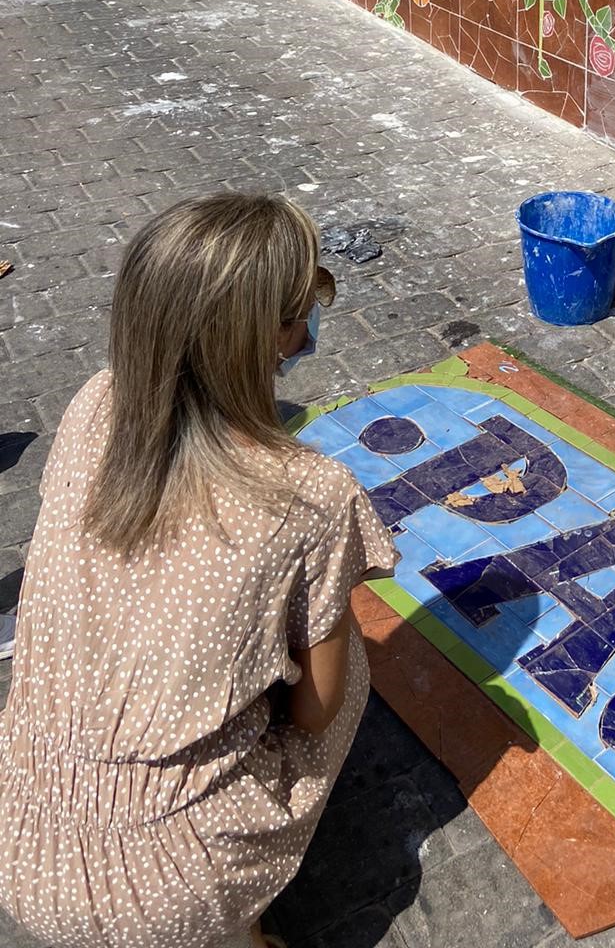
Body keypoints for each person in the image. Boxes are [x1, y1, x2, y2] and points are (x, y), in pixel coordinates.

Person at [0, 193, 397, 948]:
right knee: (349, 673)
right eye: (305, 304)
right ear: (273, 338)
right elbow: (314, 711)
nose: (312, 317)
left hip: (22, 834)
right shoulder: (314, 495)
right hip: (169, 887)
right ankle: (233, 921)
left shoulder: (95, 402)